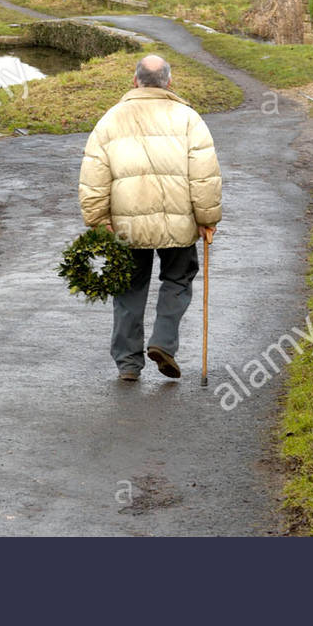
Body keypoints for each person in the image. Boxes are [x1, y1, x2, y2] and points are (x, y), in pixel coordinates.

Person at [78, 54, 222, 382]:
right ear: (169, 82)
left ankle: (129, 364)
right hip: (179, 222)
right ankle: (163, 342)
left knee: (129, 289)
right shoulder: (188, 119)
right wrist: (207, 218)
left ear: (135, 81)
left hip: (126, 225)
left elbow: (93, 175)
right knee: (178, 279)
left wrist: (98, 219)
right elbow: (205, 175)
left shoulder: (110, 120)